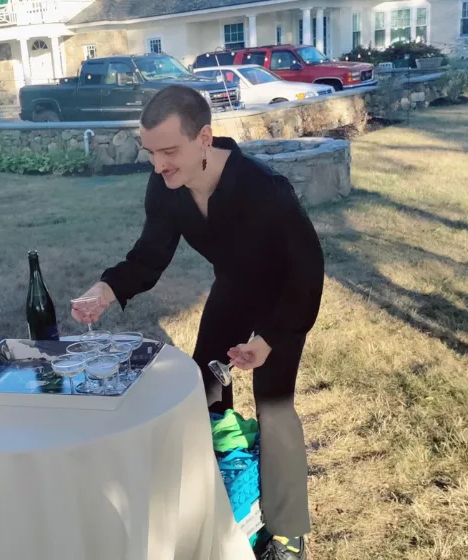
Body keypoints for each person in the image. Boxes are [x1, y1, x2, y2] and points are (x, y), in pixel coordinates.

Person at [71, 85, 324, 560]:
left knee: (274, 406)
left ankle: (289, 532)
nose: (158, 165)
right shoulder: (165, 188)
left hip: (282, 302)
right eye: (150, 152)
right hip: (231, 291)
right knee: (201, 391)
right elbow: (149, 257)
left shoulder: (265, 190)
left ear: (204, 137)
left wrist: (270, 339)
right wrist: (104, 290)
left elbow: (307, 274)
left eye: (169, 151)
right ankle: (218, 499)